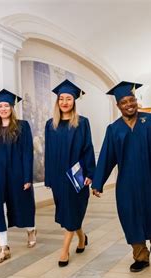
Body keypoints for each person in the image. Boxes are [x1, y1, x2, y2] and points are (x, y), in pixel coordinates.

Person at [92, 81, 151, 273]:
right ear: (118, 106)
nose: (129, 104)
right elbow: (107, 157)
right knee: (131, 216)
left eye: (131, 100)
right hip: (127, 182)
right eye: (124, 102)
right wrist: (98, 182)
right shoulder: (113, 129)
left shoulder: (150, 120)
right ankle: (140, 256)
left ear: (136, 100)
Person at [44, 79, 96, 267]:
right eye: (61, 99)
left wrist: (90, 173)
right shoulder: (51, 124)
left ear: (74, 101)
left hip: (77, 175)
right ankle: (82, 238)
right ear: (57, 102)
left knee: (72, 209)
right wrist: (49, 177)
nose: (65, 102)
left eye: (68, 99)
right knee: (67, 212)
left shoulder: (82, 123)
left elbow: (88, 148)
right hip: (58, 176)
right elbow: (48, 152)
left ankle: (64, 250)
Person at [0, 89, 37, 264]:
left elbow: (28, 153)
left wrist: (27, 177)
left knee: (22, 204)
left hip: (17, 174)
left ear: (12, 108)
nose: (3, 109)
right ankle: (3, 247)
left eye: (6, 105)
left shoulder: (22, 126)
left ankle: (31, 229)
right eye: (0, 106)